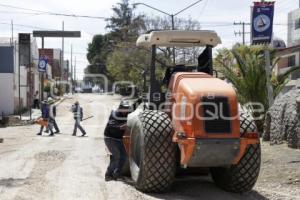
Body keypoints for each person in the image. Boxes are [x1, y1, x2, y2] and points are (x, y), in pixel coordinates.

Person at [104, 100, 131, 181]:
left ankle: (117, 174)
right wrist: (121, 127)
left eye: (127, 108)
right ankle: (108, 175)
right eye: (124, 108)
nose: (126, 110)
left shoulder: (127, 113)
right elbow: (110, 127)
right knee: (116, 156)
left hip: (119, 139)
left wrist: (141, 98)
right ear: (120, 108)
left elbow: (135, 105)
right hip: (110, 138)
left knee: (124, 156)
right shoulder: (114, 114)